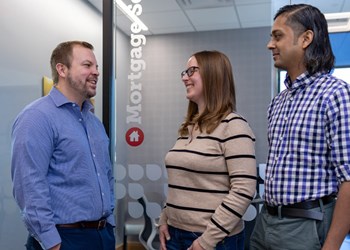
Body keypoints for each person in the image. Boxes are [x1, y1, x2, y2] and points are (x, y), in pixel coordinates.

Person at [250, 4, 350, 250]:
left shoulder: (335, 94)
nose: (270, 45)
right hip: (266, 221)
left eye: (278, 36)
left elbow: (349, 179)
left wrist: (332, 246)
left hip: (305, 226)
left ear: (306, 38)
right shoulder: (279, 101)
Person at [11, 41, 116, 250]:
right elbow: (29, 186)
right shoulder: (37, 117)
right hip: (64, 239)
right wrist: (52, 243)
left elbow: (106, 176)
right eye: (87, 65)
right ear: (62, 69)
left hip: (102, 236)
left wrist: (110, 223)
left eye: (96, 67)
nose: (96, 72)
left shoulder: (94, 123)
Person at [158, 50, 257, 250]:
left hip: (213, 240)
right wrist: (164, 217)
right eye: (184, 72)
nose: (185, 77)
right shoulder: (189, 127)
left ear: (214, 75)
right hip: (175, 234)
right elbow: (181, 181)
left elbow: (244, 189)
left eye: (192, 70)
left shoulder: (234, 125)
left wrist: (207, 240)